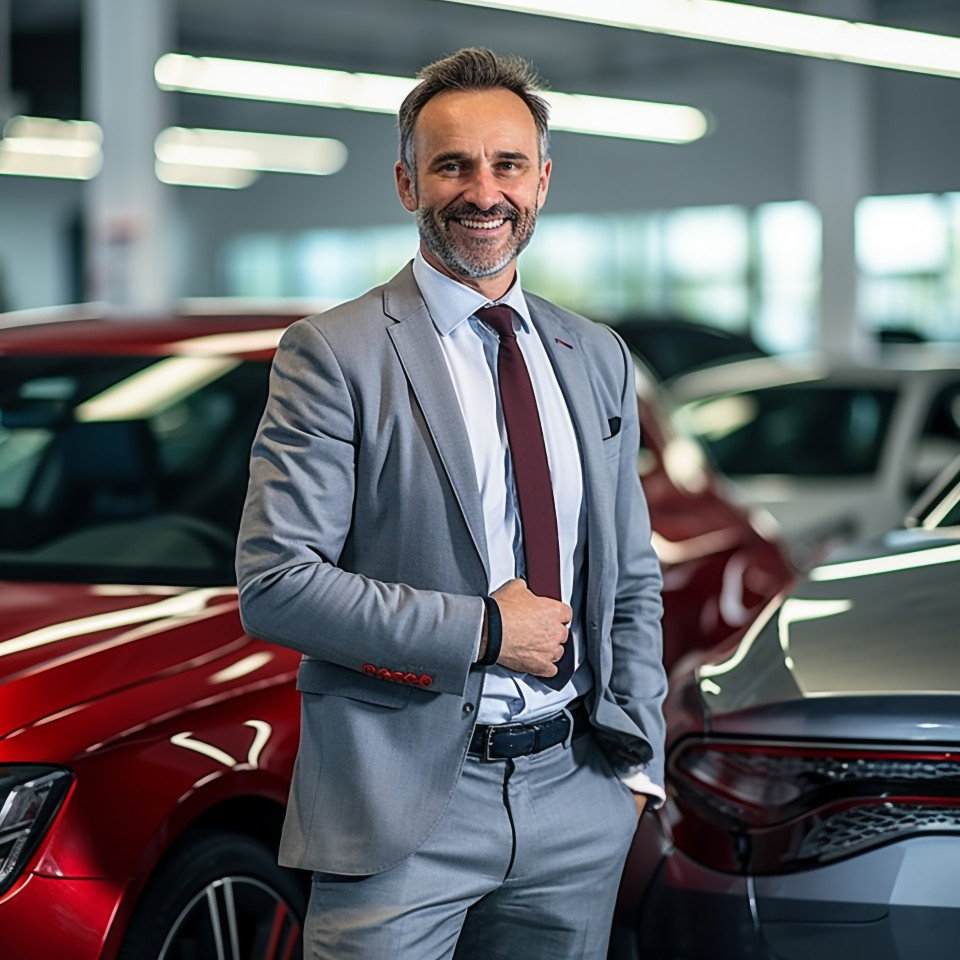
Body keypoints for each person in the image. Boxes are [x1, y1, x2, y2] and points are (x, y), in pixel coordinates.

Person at [236, 46, 667, 960]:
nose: (484, 191)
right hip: (401, 808)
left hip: (576, 793)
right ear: (406, 182)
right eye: (452, 164)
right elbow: (277, 584)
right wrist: (482, 630)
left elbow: (629, 575)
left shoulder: (595, 355)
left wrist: (636, 764)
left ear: (542, 180)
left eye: (508, 164)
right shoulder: (334, 353)